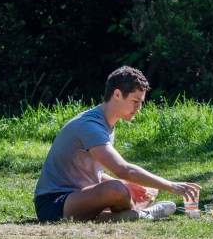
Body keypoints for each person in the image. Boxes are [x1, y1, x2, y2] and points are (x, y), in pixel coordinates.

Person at [33, 66, 201, 223]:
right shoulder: (90, 125)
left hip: (80, 194)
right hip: (54, 203)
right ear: (117, 94)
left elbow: (91, 174)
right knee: (117, 189)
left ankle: (120, 216)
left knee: (147, 188)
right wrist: (171, 186)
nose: (139, 107)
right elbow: (122, 169)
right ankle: (141, 214)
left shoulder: (106, 123)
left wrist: (132, 185)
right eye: (135, 101)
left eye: (140, 102)